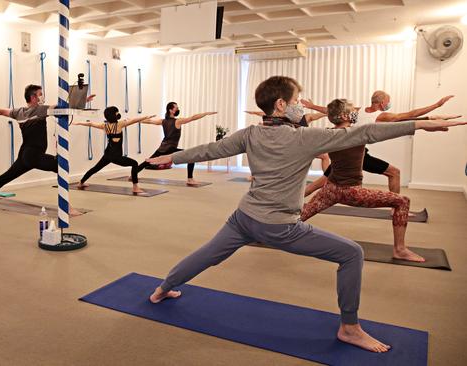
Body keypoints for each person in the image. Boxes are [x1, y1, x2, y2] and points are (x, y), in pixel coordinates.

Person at [145, 76, 466, 353]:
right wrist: (421, 125)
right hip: (279, 227)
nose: (303, 106)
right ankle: (350, 328)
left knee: (207, 255)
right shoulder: (305, 138)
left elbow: (209, 150)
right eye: (297, 101)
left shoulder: (250, 133)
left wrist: (171, 158)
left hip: (243, 217)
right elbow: (365, 134)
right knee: (352, 254)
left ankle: (162, 289)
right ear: (282, 105)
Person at [300, 99, 424, 262]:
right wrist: (428, 121)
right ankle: (399, 250)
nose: (356, 113)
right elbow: (398, 124)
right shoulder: (358, 133)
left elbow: (330, 114)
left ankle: (270, 231)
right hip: (352, 192)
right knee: (402, 202)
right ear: (344, 115)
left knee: (301, 216)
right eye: (353, 110)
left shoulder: (327, 133)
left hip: (330, 190)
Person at [302, 93, 456, 196]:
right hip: (357, 154)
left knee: (321, 182)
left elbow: (332, 111)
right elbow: (411, 115)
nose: (389, 104)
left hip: (346, 152)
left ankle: (295, 199)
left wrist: (312, 106)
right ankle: (395, 204)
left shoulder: (357, 111)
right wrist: (436, 105)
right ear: (383, 102)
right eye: (388, 101)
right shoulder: (382, 115)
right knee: (394, 173)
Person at [0, 84, 94, 216]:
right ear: (33, 97)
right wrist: (81, 101)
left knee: (9, 175)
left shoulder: (19, 112)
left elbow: (0, 111)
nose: (42, 97)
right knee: (61, 167)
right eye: (40, 94)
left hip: (25, 154)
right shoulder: (40, 110)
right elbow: (62, 107)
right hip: (33, 155)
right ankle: (68, 208)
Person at [74, 107, 155, 193]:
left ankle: (81, 182)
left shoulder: (105, 126)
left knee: (95, 168)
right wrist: (146, 116)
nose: (118, 114)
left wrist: (78, 123)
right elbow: (134, 120)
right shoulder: (119, 124)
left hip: (107, 154)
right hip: (116, 156)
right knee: (134, 163)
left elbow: (90, 124)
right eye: (117, 112)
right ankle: (135, 187)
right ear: (114, 115)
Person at [134, 102, 216, 186]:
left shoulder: (163, 121)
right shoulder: (177, 121)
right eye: (176, 108)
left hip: (162, 148)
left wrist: (137, 120)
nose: (177, 109)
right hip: (171, 149)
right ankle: (190, 179)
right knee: (192, 156)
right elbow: (192, 118)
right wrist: (205, 113)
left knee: (148, 162)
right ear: (171, 110)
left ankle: (133, 174)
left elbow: (149, 121)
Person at [245, 110, 330, 180]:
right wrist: (255, 113)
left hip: (301, 147)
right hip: (290, 147)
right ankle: (256, 175)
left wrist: (328, 112)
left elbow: (319, 114)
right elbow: (268, 113)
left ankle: (328, 178)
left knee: (325, 156)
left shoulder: (306, 118)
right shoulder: (285, 119)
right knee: (265, 153)